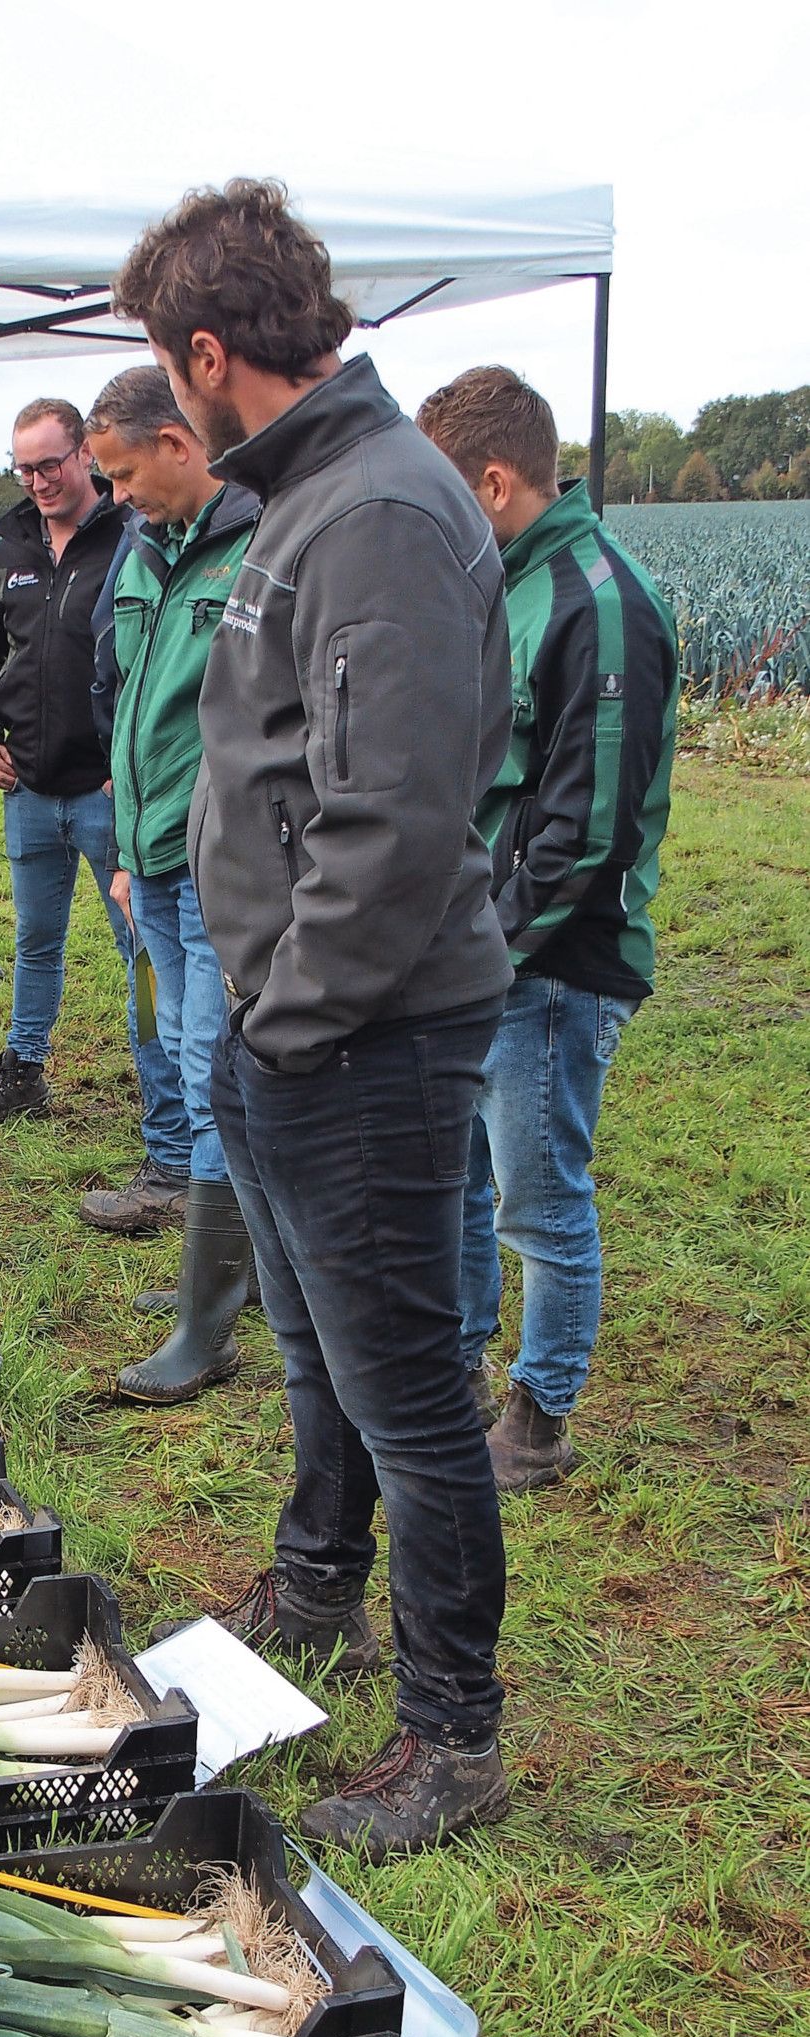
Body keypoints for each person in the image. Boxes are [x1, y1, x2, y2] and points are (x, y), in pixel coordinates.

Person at [113, 179, 515, 1860]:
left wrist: (286, 1021)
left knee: (406, 1381)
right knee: (315, 1348)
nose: (166, 391)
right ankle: (313, 1586)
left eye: (162, 365)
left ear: (208, 356)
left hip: (358, 1037)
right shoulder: (306, 495)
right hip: (286, 1026)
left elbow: (393, 821)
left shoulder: (377, 513)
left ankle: (450, 1735)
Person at [417, 366, 679, 1491]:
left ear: (491, 479)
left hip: (554, 965)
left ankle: (540, 1412)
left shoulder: (597, 602)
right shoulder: (508, 583)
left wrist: (494, 950)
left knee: (540, 1195)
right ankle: (465, 1368)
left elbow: (587, 830)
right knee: (469, 1176)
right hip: (485, 951)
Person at [0, 398, 194, 1232]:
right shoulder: (10, 551)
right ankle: (23, 1069)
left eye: (52, 463)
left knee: (147, 957)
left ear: (87, 459)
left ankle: (172, 1137)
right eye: (24, 467)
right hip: (29, 792)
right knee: (35, 942)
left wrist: (121, 772)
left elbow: (144, 671)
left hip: (107, 798)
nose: (39, 480)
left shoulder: (133, 538)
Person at [84, 366, 262, 1402]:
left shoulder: (257, 548)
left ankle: (212, 1320)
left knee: (212, 1079)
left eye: (121, 474)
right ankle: (232, 1279)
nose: (116, 498)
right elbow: (125, 694)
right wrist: (121, 844)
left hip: (217, 864)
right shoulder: (147, 551)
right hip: (146, 855)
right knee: (192, 1066)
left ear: (179, 442)